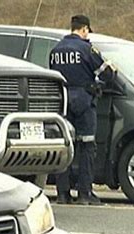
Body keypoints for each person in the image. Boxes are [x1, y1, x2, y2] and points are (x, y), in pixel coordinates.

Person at [50, 14, 112, 205]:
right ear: (84, 29)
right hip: (84, 101)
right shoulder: (87, 49)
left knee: (65, 147)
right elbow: (107, 74)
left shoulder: (56, 50)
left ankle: (62, 193)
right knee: (86, 147)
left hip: (63, 101)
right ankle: (85, 193)